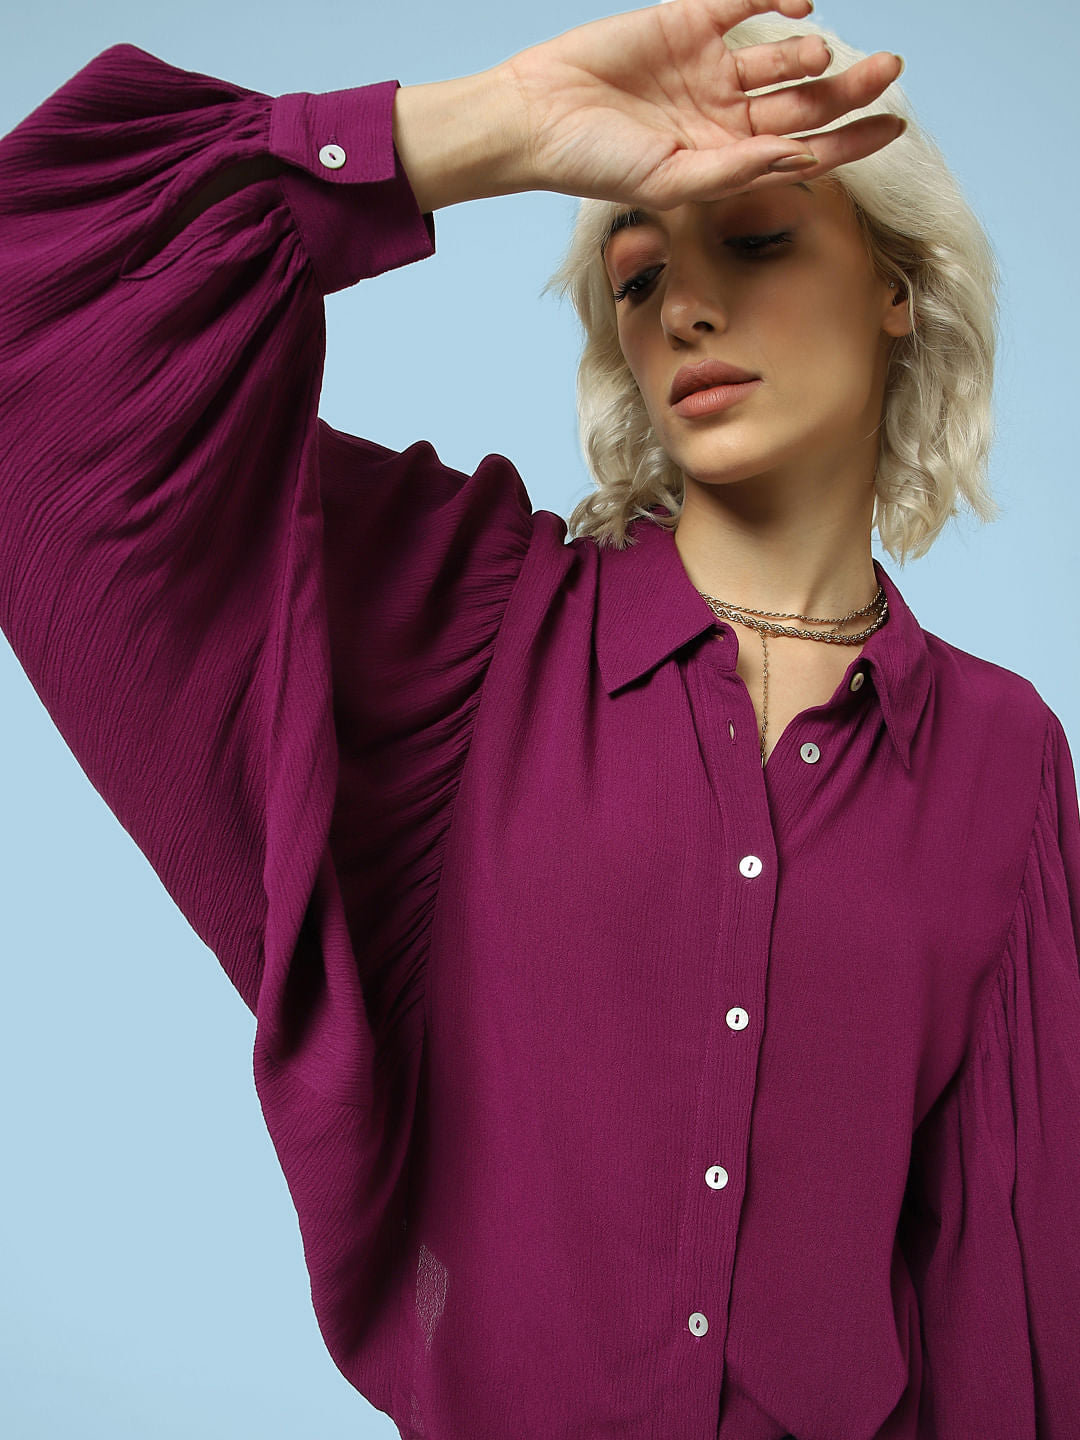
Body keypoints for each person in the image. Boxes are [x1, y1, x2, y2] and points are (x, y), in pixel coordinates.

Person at [0, 1, 1077, 1437]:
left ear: (897, 288)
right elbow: (30, 342)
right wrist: (491, 127)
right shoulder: (469, 632)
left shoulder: (1006, 761)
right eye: (640, 278)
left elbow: (1007, 1301)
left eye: (757, 240)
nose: (685, 310)